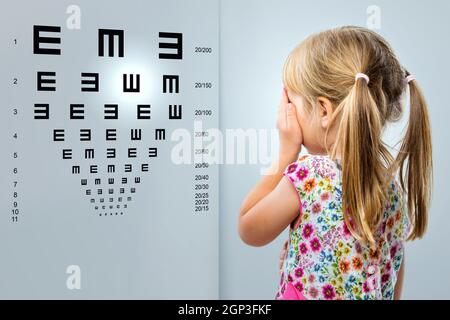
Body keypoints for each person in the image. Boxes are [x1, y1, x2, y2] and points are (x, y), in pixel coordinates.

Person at [238, 26, 433, 300]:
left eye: (290, 102)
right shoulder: (392, 189)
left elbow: (249, 229)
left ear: (324, 110)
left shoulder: (311, 176)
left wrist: (285, 154)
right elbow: (391, 282)